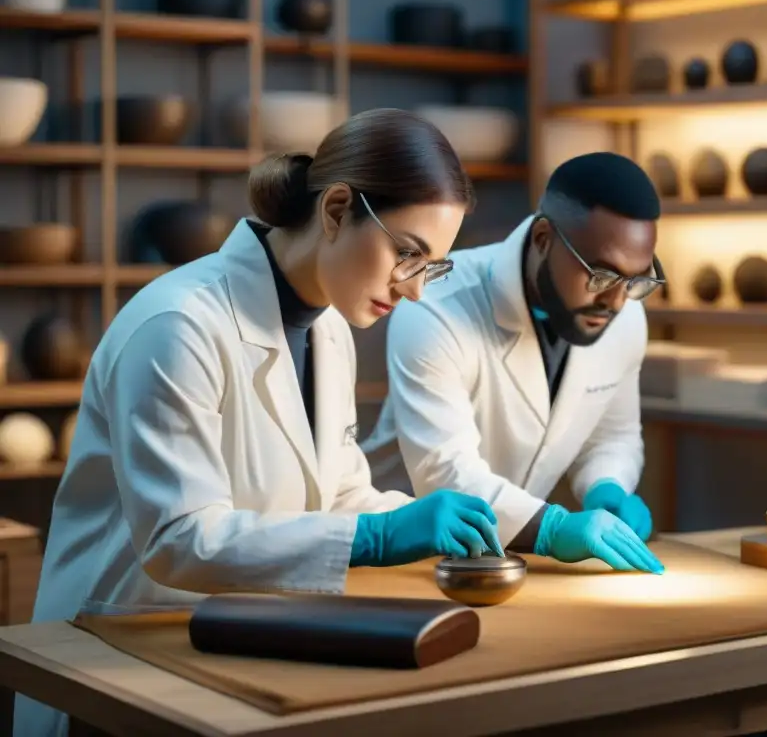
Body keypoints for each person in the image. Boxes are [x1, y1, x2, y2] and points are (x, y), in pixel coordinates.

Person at [14, 108, 503, 737]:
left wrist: (423, 518)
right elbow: (179, 538)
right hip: (120, 652)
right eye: (407, 254)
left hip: (237, 644)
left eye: (430, 266)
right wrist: (378, 539)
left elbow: (337, 493)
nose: (413, 291)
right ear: (335, 210)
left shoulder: (328, 326)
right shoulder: (178, 325)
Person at [362, 152, 666, 574]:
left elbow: (611, 437)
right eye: (600, 275)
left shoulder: (625, 313)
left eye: (635, 280)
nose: (615, 301)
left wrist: (607, 488)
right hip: (400, 556)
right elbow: (446, 472)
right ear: (543, 238)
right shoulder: (437, 306)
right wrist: (553, 527)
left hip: (504, 559)